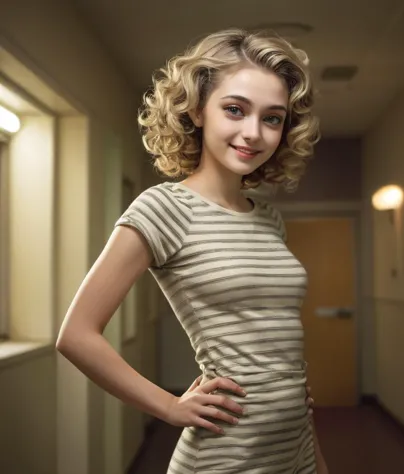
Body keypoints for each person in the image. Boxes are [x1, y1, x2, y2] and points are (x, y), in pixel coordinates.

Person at [56, 28, 328, 474]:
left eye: (273, 118)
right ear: (199, 110)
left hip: (294, 448)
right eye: (235, 110)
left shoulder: (268, 218)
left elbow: (280, 352)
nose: (253, 133)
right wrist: (170, 407)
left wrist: (316, 459)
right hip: (228, 455)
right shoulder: (164, 208)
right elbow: (77, 335)